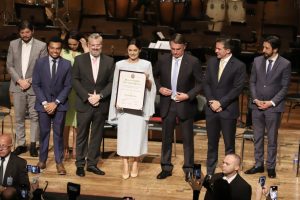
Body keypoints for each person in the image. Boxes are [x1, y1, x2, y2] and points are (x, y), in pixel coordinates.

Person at [154, 33, 202, 181]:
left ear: (184, 47)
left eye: (178, 49)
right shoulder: (162, 60)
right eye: (173, 49)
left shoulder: (193, 61)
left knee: (187, 140)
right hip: (167, 104)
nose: (175, 52)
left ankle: (188, 168)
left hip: (185, 104)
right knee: (166, 138)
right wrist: (159, 88)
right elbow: (153, 77)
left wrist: (188, 95)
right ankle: (166, 167)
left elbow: (201, 83)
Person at [108, 39, 156, 179]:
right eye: (130, 50)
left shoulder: (146, 64)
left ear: (139, 50)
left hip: (139, 109)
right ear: (126, 51)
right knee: (124, 137)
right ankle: (124, 164)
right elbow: (116, 85)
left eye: (135, 50)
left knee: (137, 137)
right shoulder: (119, 64)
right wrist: (116, 102)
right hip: (124, 108)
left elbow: (151, 87)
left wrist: (146, 80)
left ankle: (135, 163)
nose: (133, 53)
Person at [245, 35, 291, 178]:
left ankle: (271, 166)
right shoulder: (257, 61)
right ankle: (259, 164)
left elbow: (284, 87)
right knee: (257, 137)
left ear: (275, 49)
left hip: (273, 108)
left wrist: (271, 102)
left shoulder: (285, 64)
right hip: (257, 106)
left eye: (267, 48)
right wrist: (255, 99)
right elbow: (252, 82)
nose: (263, 50)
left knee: (272, 138)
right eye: (263, 47)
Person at [72, 33, 115, 177]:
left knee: (97, 135)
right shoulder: (79, 60)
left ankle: (92, 164)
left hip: (101, 104)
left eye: (98, 45)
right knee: (82, 135)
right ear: (88, 45)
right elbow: (75, 80)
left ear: (101, 46)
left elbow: (111, 82)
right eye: (93, 45)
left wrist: (100, 96)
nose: (95, 47)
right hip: (85, 103)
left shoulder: (109, 61)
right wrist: (87, 96)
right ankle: (80, 164)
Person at [203, 38, 246, 175]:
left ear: (228, 50)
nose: (215, 51)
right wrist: (212, 102)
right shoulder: (211, 62)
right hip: (212, 110)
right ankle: (210, 172)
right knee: (211, 144)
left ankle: (230, 173)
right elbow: (206, 84)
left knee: (229, 145)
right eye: (215, 48)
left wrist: (221, 103)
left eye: (219, 49)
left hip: (227, 110)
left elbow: (237, 88)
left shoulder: (239, 66)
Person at [6, 20, 47, 157]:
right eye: (22, 32)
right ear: (19, 33)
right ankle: (21, 144)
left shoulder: (41, 46)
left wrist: (29, 81)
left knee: (35, 116)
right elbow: (9, 65)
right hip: (18, 86)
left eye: (27, 32)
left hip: (34, 86)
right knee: (19, 117)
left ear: (33, 31)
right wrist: (19, 81)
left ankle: (34, 144)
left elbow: (42, 67)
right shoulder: (13, 44)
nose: (25, 34)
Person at [32, 36, 72, 175]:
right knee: (43, 133)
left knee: (59, 134)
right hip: (43, 105)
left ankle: (59, 162)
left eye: (58, 48)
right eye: (52, 48)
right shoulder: (39, 63)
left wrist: (55, 103)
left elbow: (68, 86)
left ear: (61, 49)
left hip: (59, 105)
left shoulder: (67, 64)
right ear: (48, 48)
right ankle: (42, 159)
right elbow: (36, 84)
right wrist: (45, 103)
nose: (55, 51)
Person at [61, 30, 89, 160]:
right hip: (65, 91)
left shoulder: (83, 53)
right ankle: (65, 145)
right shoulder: (63, 52)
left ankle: (76, 147)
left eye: (74, 44)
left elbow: (91, 64)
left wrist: (85, 47)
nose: (72, 46)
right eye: (70, 44)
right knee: (66, 121)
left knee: (77, 121)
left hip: (79, 91)